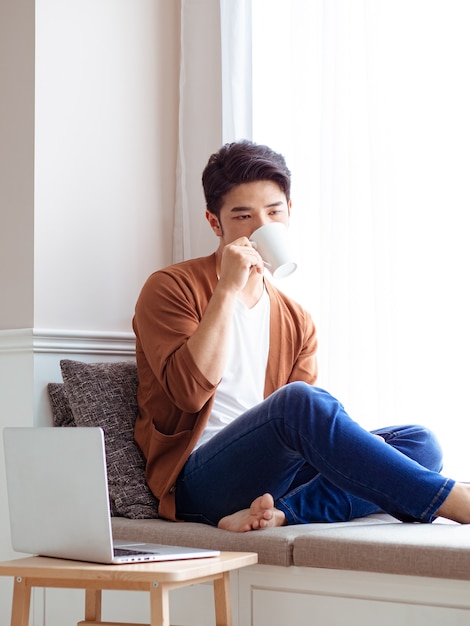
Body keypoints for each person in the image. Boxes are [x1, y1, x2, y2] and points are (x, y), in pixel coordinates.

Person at [133, 139, 470, 531]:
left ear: (289, 213)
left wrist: (360, 447)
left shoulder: (296, 320)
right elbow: (189, 393)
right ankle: (451, 499)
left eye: (273, 213)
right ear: (214, 222)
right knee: (298, 402)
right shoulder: (169, 287)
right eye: (243, 217)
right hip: (200, 479)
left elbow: (304, 437)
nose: (261, 228)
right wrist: (226, 289)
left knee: (419, 444)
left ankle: (283, 514)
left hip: (276, 478)